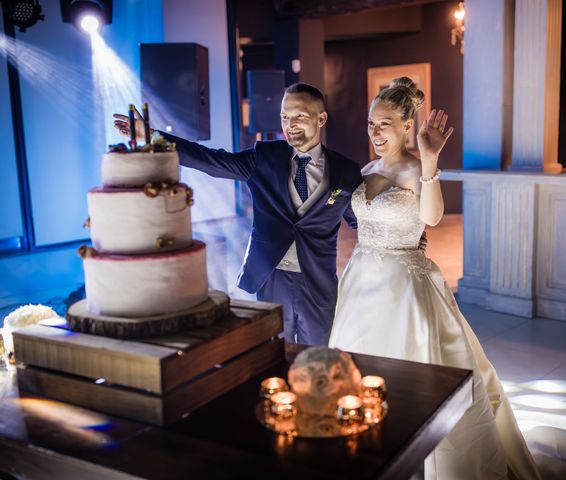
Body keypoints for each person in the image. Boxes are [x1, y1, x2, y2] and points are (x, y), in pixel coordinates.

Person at [328, 77, 541, 479]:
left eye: (384, 123)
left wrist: (430, 161)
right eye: (371, 123)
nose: (375, 132)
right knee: (361, 376)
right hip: (359, 283)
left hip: (404, 288)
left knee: (413, 381)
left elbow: (431, 218)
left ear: (408, 125)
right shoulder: (366, 168)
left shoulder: (415, 168)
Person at [114, 83, 362, 346]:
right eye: (285, 117)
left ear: (321, 118)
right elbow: (208, 159)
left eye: (299, 115)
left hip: (318, 284)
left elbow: (361, 222)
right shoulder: (264, 156)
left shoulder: (346, 171)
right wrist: (152, 136)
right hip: (270, 278)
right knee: (272, 354)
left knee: (317, 357)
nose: (291, 124)